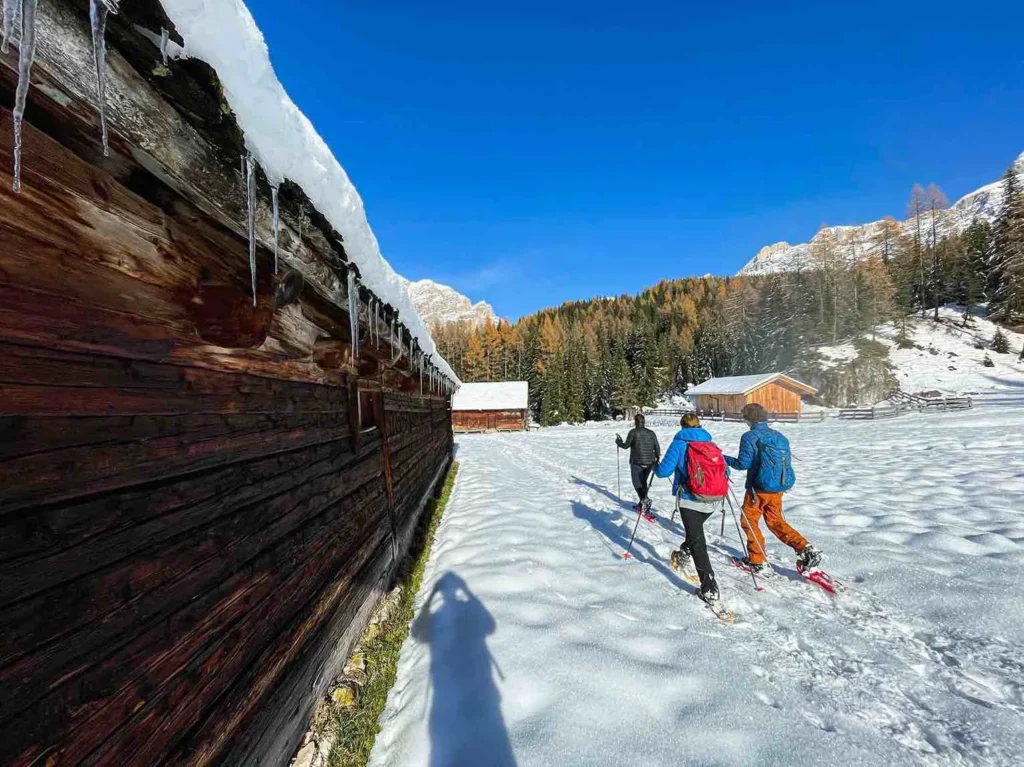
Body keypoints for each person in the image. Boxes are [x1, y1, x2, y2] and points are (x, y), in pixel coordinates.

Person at [725, 403, 822, 573]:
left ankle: (757, 560)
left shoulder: (749, 437)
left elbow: (742, 464)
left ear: (748, 418)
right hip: (777, 488)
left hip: (758, 490)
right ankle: (805, 548)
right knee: (776, 521)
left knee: (748, 521)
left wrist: (722, 457)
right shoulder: (779, 436)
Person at [654, 413, 724, 604]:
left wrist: (654, 466)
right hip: (713, 499)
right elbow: (725, 470)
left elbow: (663, 471)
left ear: (682, 426)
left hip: (690, 499)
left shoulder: (679, 443)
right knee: (695, 535)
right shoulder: (711, 444)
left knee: (697, 543)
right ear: (699, 425)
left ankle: (710, 589)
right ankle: (684, 553)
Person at [615, 413, 661, 517]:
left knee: (637, 483)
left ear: (635, 422)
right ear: (643, 422)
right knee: (643, 482)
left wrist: (618, 442)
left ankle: (645, 501)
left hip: (637, 462)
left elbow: (626, 446)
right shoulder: (651, 433)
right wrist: (657, 458)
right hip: (650, 463)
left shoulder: (633, 432)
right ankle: (642, 503)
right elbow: (657, 448)